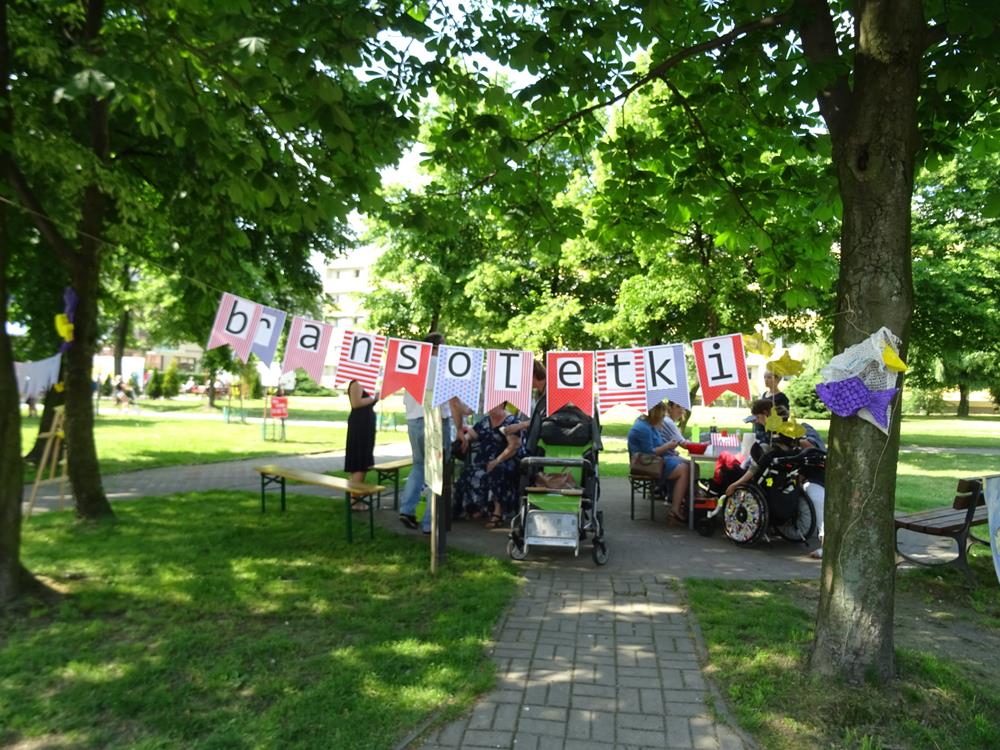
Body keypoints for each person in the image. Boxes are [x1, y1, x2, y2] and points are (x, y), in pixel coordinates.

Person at [398, 332, 462, 533]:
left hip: (413, 420)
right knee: (436, 472)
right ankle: (429, 523)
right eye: (444, 345)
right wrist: (460, 429)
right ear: (437, 347)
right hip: (435, 421)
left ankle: (407, 509)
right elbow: (453, 402)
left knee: (418, 465)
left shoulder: (412, 365)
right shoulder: (443, 365)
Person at [454, 402, 523, 527]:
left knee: (498, 472)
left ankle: (498, 513)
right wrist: (464, 439)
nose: (490, 408)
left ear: (502, 405)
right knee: (469, 472)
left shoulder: (511, 422)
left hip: (505, 460)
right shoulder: (485, 421)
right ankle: (477, 508)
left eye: (493, 405)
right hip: (484, 460)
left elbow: (514, 446)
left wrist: (497, 461)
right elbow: (472, 434)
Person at [627, 402, 690, 524]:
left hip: (655, 461)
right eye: (662, 414)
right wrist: (668, 446)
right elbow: (650, 452)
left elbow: (658, 445)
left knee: (689, 465)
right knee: (684, 470)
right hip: (646, 465)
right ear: (655, 413)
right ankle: (675, 509)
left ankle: (684, 503)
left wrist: (670, 449)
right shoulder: (643, 428)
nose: (664, 416)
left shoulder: (650, 425)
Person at [344, 379, 378, 510]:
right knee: (359, 462)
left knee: (364, 461)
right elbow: (356, 403)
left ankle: (355, 497)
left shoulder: (365, 382)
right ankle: (355, 501)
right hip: (360, 425)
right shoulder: (357, 383)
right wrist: (375, 397)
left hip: (366, 423)